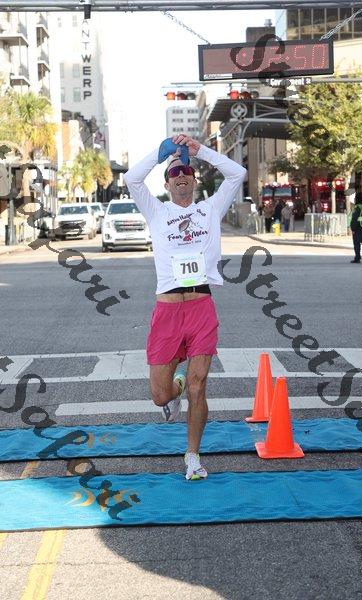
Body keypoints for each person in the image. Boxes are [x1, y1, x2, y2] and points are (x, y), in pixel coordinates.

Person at [124, 134, 247, 480]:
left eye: (187, 171)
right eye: (174, 172)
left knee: (199, 385)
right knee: (159, 395)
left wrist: (199, 151)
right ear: (166, 183)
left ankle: (192, 456)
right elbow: (132, 179)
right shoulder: (156, 211)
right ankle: (173, 390)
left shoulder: (209, 209)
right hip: (167, 312)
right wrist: (159, 153)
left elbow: (237, 173)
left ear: (194, 180)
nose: (181, 175)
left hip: (200, 307)